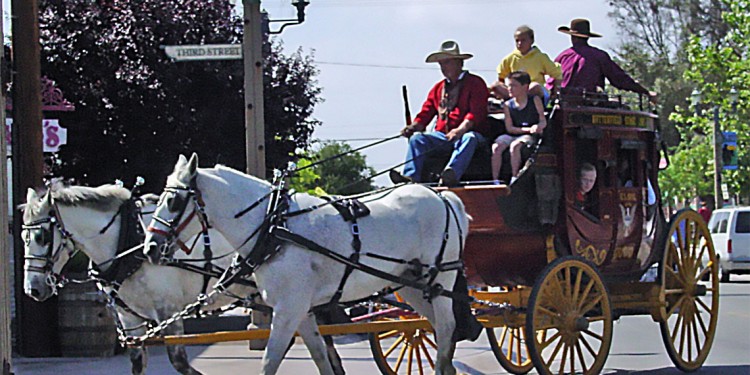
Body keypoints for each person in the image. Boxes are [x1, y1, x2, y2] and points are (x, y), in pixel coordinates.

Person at [391, 40, 490, 186]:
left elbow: (476, 113)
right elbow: (427, 112)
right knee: (417, 139)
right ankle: (410, 179)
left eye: (447, 62)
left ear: (459, 63)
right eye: (441, 64)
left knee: (469, 138)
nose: (443, 67)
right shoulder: (438, 88)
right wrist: (414, 127)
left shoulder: (475, 83)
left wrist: (459, 131)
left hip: (470, 136)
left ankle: (451, 174)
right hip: (443, 137)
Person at [553, 18, 658, 104]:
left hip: (563, 104)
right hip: (589, 104)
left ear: (572, 37)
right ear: (588, 37)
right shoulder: (599, 56)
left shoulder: (562, 57)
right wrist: (645, 92)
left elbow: (551, 83)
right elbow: (619, 78)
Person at [491, 71, 546, 183]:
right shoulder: (507, 105)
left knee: (515, 146)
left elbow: (542, 121)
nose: (510, 89)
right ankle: (495, 180)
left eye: (513, 86)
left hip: (528, 137)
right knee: (496, 147)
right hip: (515, 133)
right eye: (508, 86)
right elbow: (510, 128)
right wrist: (527, 129)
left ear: (525, 87)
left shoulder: (534, 100)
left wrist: (537, 127)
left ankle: (514, 177)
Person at [489, 25, 561, 106]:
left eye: (523, 40)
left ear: (531, 40)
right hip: (515, 92)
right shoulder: (510, 58)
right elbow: (501, 75)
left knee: (534, 86)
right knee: (495, 85)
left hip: (534, 93)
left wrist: (555, 94)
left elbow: (557, 74)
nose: (520, 43)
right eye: (517, 41)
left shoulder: (541, 57)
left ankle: (523, 103)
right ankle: (515, 104)